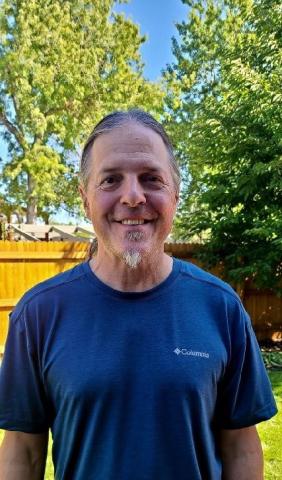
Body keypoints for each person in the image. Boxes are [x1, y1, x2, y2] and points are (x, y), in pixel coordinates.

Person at [0, 109, 277, 480]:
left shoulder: (221, 307)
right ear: (85, 199)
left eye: (151, 179)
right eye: (111, 179)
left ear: (175, 196)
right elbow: (22, 454)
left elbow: (241, 447)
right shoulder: (38, 315)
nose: (132, 196)